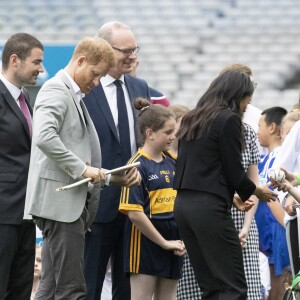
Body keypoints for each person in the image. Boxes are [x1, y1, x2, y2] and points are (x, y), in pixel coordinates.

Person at [24, 37, 140, 299]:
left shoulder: (70, 93)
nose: (97, 82)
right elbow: (44, 137)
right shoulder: (56, 89)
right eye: (96, 74)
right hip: (61, 205)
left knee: (51, 286)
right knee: (71, 289)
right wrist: (82, 169)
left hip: (65, 204)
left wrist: (112, 180)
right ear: (81, 60)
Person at [173, 70, 278, 300]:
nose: (245, 108)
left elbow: (199, 170)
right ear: (236, 95)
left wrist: (232, 196)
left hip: (183, 206)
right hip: (209, 209)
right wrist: (256, 191)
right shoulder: (228, 119)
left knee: (210, 286)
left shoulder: (192, 117)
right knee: (233, 286)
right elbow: (233, 170)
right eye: (245, 102)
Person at [83, 21, 151, 300]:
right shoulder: (85, 89)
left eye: (135, 49)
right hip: (97, 204)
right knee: (90, 283)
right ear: (104, 50)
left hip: (135, 206)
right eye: (125, 50)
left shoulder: (139, 86)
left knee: (128, 288)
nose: (132, 56)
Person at [119, 98, 185, 300]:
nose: (173, 137)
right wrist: (164, 242)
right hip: (146, 245)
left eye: (174, 132)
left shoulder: (173, 162)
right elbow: (134, 213)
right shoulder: (136, 165)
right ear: (149, 133)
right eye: (168, 132)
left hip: (173, 244)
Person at [0, 32, 44, 300]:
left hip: (26, 211)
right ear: (15, 60)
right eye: (36, 62)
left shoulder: (26, 97)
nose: (41, 68)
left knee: (21, 287)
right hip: (3, 212)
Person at [255, 106, 290, 300]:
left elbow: (275, 194)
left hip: (277, 230)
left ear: (272, 127)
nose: (257, 131)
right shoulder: (264, 159)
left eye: (260, 125)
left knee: (282, 280)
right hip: (267, 233)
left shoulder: (279, 158)